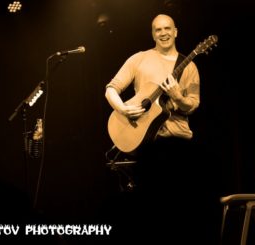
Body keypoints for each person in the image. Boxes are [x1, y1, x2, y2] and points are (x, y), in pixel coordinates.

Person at [104, 14, 201, 242]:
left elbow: (193, 105)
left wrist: (178, 96)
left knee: (181, 212)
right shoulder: (139, 59)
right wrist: (124, 110)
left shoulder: (189, 65)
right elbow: (111, 89)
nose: (163, 33)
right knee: (149, 215)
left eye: (168, 28)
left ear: (176, 31)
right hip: (147, 147)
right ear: (152, 34)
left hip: (178, 144)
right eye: (158, 30)